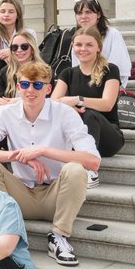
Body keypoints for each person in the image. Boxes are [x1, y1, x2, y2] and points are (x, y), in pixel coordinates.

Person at [0, 61, 101, 267]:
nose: (30, 90)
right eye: (25, 85)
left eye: (37, 85)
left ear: (48, 89)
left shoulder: (65, 113)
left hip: (56, 196)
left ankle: (59, 236)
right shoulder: (6, 113)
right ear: (18, 87)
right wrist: (17, 155)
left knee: (76, 169)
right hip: (20, 194)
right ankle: (3, 230)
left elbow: (93, 161)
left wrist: (43, 151)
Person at [51, 26, 125, 174]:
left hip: (108, 136)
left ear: (99, 47)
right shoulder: (68, 73)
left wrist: (77, 100)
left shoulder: (110, 70)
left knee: (89, 114)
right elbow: (53, 102)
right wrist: (70, 106)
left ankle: (88, 170)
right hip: (77, 134)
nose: (83, 49)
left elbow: (107, 104)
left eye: (89, 45)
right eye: (78, 44)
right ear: (73, 46)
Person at [71, 0, 132, 86]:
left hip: (109, 84)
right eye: (79, 13)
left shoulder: (112, 34)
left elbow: (119, 66)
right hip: (83, 84)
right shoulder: (77, 37)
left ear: (98, 14)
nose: (83, 16)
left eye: (88, 12)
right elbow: (77, 67)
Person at [0, 29, 45, 116]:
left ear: (32, 49)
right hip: (9, 113)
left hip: (36, 112)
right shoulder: (5, 72)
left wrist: (17, 101)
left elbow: (47, 99)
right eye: (14, 47)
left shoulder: (43, 71)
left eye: (24, 47)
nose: (19, 50)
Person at [0, 0, 36, 74]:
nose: (6, 15)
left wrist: (12, 52)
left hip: (24, 76)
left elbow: (35, 60)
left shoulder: (29, 33)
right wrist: (0, 55)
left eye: (11, 12)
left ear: (17, 15)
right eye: (2, 11)